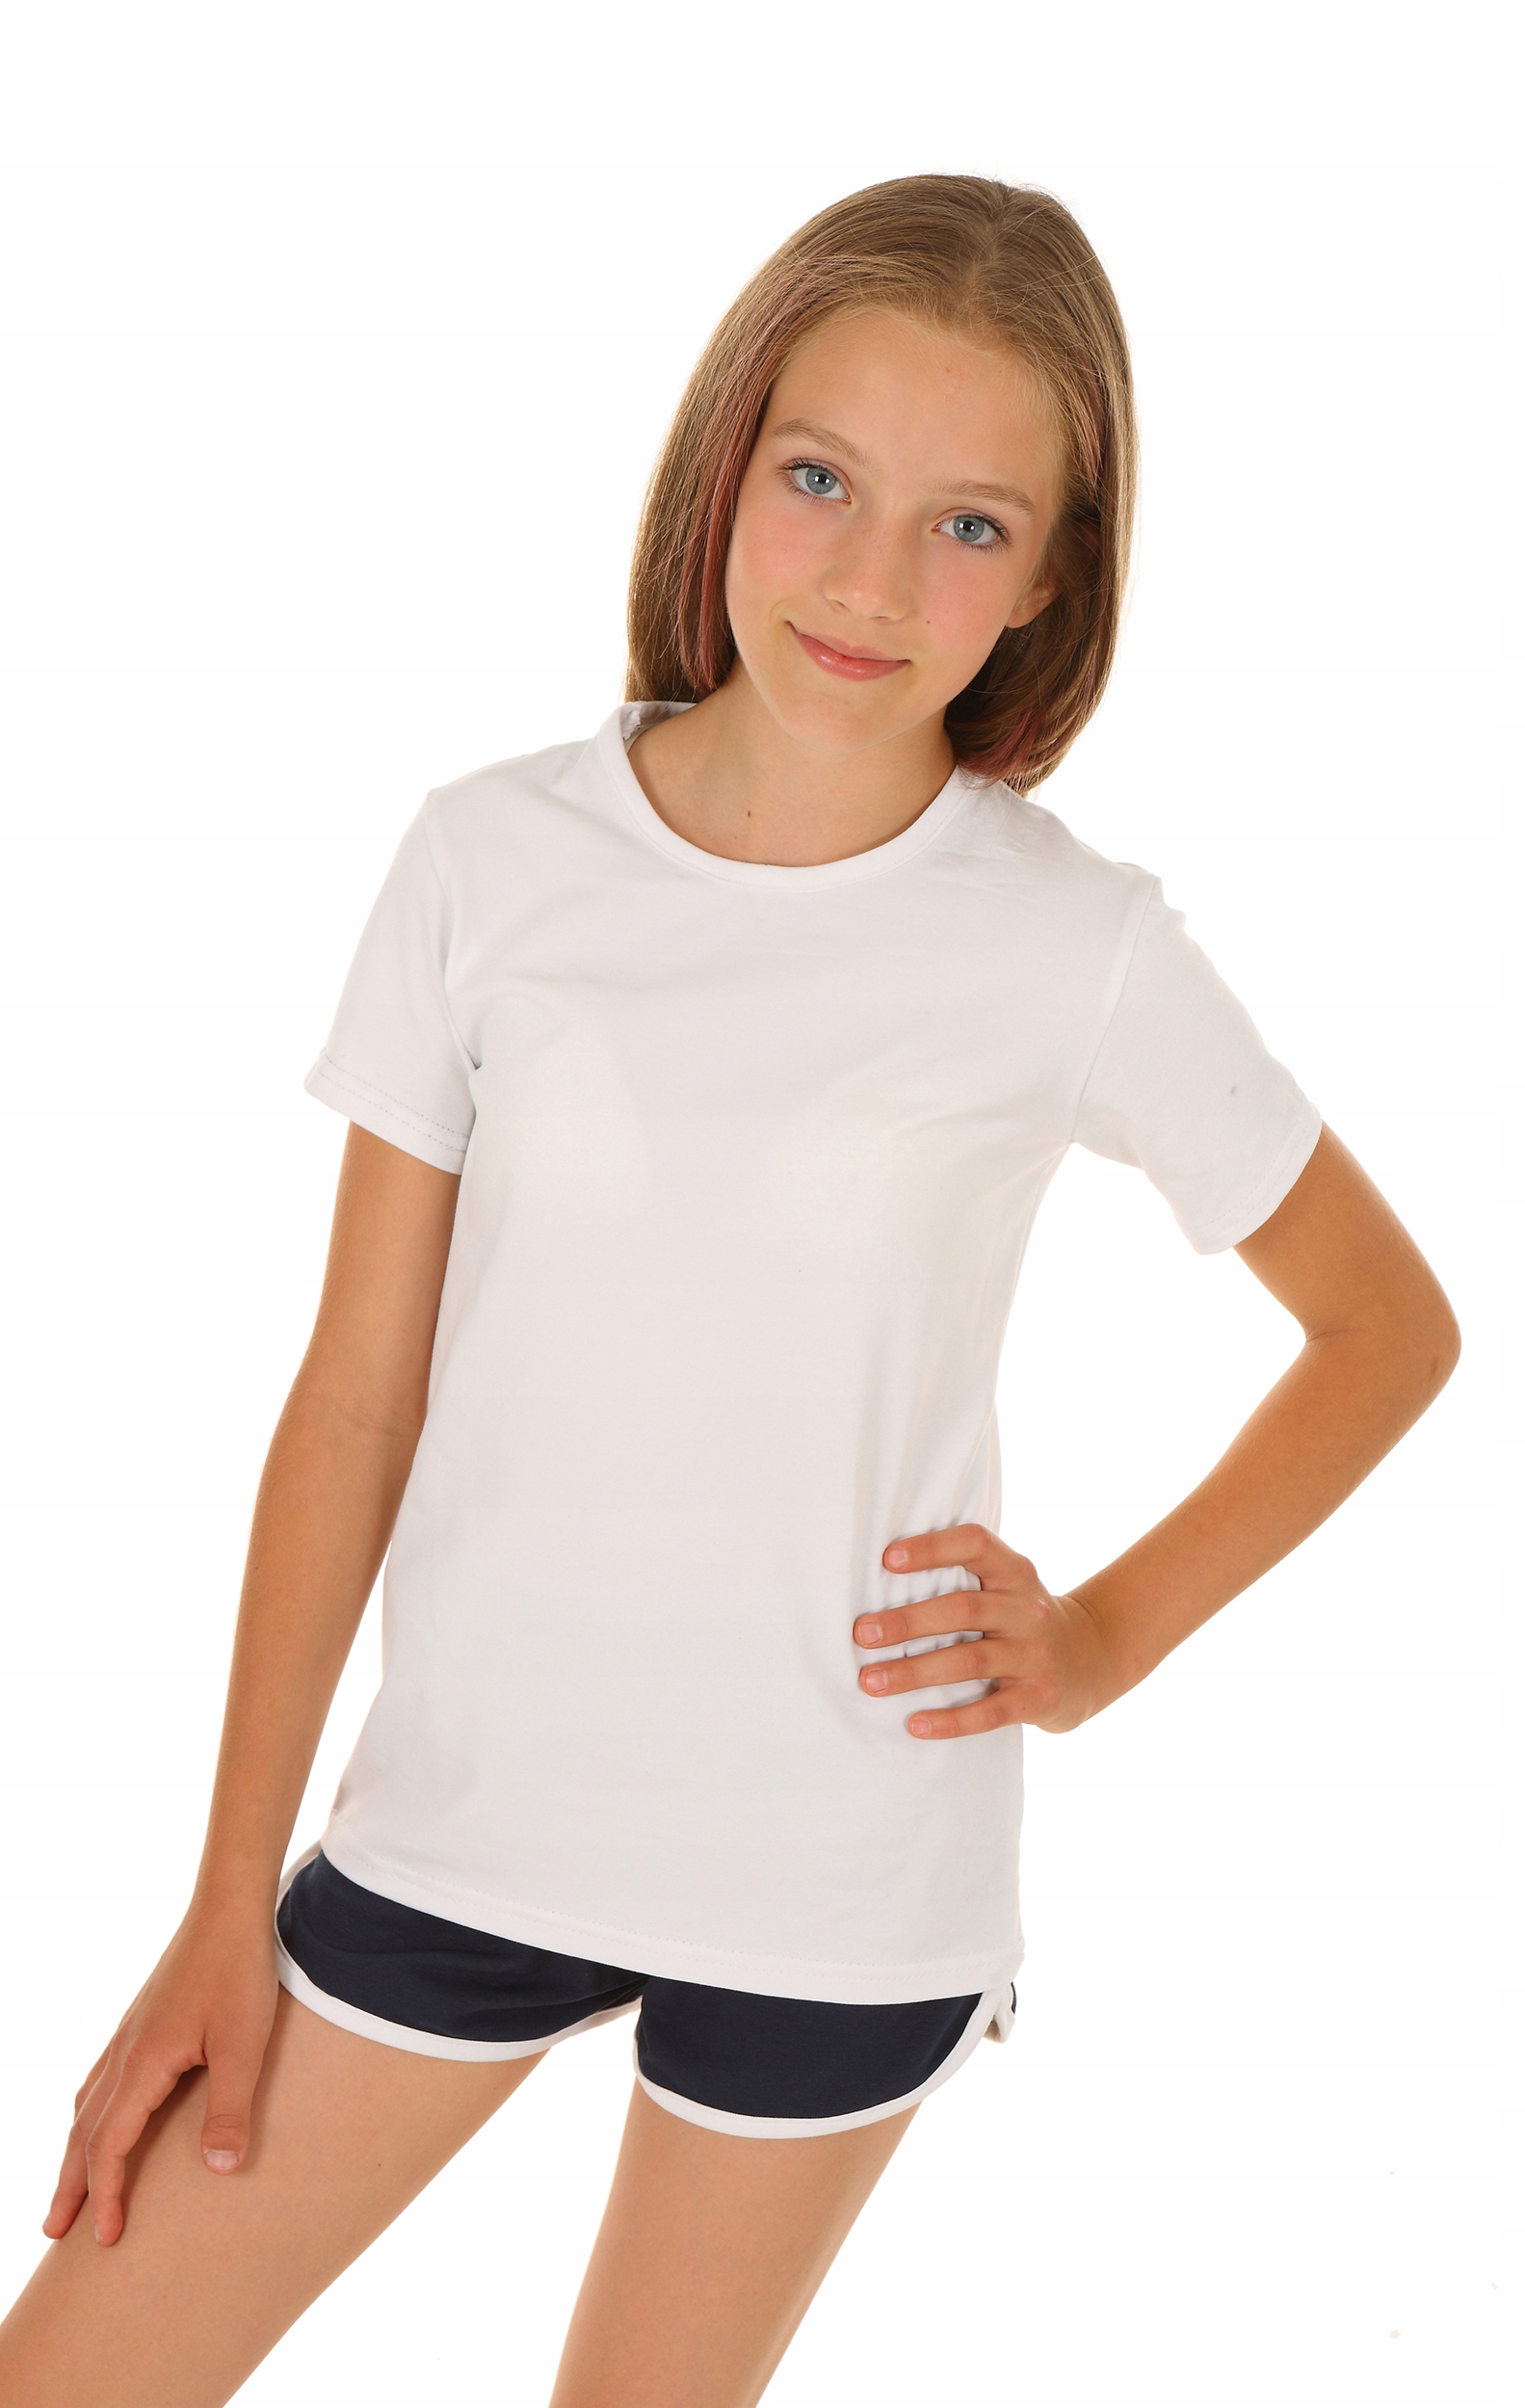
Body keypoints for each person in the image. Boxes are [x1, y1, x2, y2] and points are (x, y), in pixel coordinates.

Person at [0, 173, 1459, 2408]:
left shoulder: (1076, 945)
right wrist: (226, 1899)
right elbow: (356, 1399)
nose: (871, 579)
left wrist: (1099, 1639)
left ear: (1053, 576)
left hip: (839, 1880)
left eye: (970, 525)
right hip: (457, 1824)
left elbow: (1387, 1326)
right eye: (822, 479)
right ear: (726, 466)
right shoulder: (492, 858)